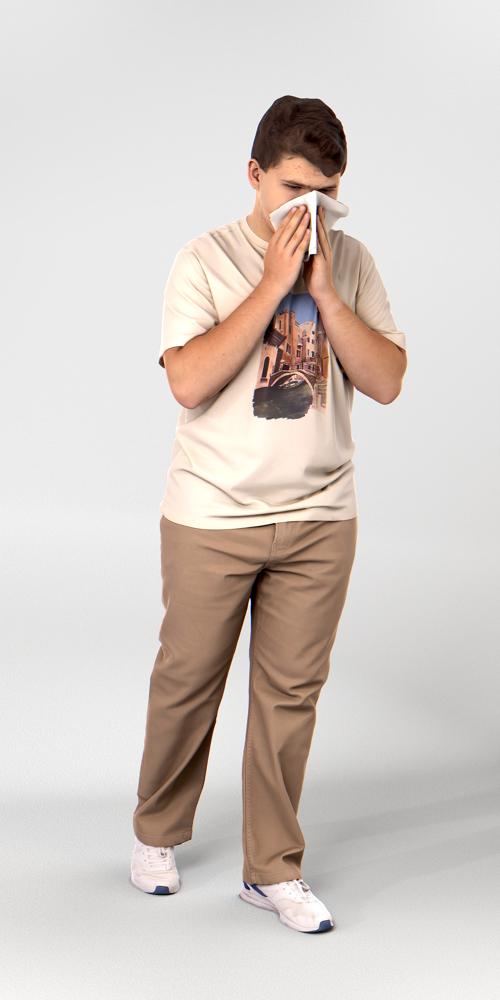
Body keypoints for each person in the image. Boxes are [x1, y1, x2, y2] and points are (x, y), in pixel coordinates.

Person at [130, 94, 407, 934]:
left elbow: (387, 380)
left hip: (321, 515)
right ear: (255, 176)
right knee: (189, 681)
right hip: (212, 514)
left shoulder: (352, 261)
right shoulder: (204, 258)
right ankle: (156, 831)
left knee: (291, 699)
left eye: (326, 194)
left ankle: (272, 870)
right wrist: (273, 285)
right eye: (293, 190)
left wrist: (324, 292)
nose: (309, 211)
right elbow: (187, 381)